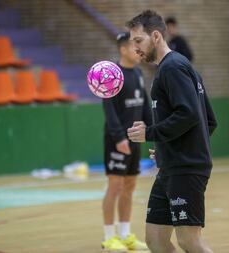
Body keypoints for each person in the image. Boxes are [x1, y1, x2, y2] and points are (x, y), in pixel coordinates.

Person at [126, 10, 217, 253]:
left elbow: (188, 114)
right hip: (171, 166)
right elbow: (209, 120)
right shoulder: (173, 68)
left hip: (186, 169)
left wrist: (151, 133)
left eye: (138, 40)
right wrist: (169, 146)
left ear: (155, 36)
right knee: (155, 240)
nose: (135, 48)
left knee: (189, 241)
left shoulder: (173, 68)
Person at [101, 31, 152, 252]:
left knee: (129, 187)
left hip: (135, 139)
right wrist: (119, 137)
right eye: (134, 46)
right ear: (123, 49)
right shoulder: (112, 74)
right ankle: (109, 237)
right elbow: (109, 109)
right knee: (115, 186)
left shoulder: (139, 74)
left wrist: (153, 133)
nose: (139, 50)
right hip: (117, 140)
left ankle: (125, 234)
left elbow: (145, 106)